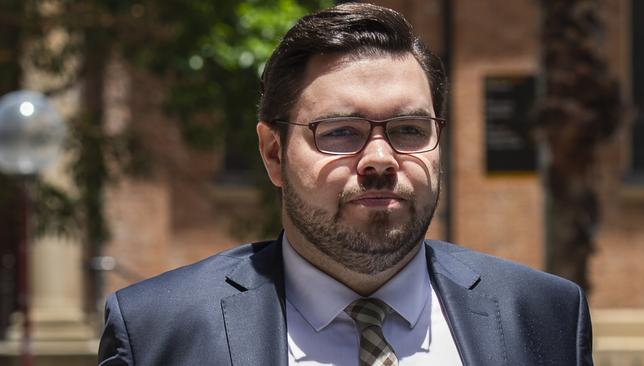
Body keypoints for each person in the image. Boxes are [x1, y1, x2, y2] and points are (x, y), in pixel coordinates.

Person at [98, 3, 593, 366]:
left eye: (409, 131)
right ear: (273, 154)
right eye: (339, 133)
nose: (380, 160)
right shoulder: (158, 333)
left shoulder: (544, 315)